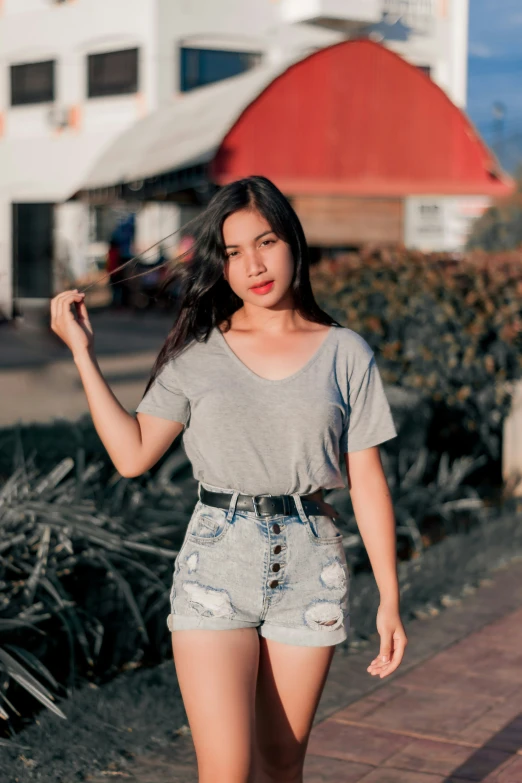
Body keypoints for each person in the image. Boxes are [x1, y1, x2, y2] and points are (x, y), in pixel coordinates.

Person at [49, 175, 407, 783]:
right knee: (225, 771)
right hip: (217, 561)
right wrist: (83, 353)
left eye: (265, 242)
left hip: (310, 564)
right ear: (219, 264)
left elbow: (367, 481)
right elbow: (133, 454)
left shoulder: (346, 353)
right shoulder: (198, 355)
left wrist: (391, 601)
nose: (254, 265)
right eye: (234, 252)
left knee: (282, 764)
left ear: (292, 242)